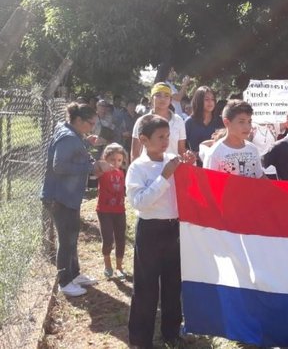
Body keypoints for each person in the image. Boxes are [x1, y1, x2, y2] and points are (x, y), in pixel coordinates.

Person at [125, 115, 194, 348]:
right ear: (144, 140)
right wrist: (165, 176)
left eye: (168, 136)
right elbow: (141, 202)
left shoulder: (173, 160)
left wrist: (189, 168)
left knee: (173, 285)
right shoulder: (138, 168)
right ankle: (140, 339)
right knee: (146, 287)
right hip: (150, 230)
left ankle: (171, 333)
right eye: (160, 137)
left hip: (174, 228)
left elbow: (185, 192)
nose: (166, 141)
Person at [41, 102, 111, 297]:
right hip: (59, 197)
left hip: (67, 196)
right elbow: (59, 167)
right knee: (66, 240)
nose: (92, 127)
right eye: (90, 123)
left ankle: (74, 274)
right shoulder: (69, 138)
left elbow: (76, 154)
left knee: (72, 236)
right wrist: (92, 168)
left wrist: (88, 144)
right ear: (78, 120)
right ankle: (65, 281)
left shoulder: (71, 132)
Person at [204, 100, 265, 178]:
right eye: (241, 122)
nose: (247, 127)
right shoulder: (215, 153)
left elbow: (261, 178)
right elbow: (209, 185)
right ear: (227, 123)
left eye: (249, 121)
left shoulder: (253, 149)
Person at [131, 83, 186, 162]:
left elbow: (181, 151)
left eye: (166, 95)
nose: (162, 99)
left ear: (170, 100)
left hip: (172, 170)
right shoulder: (141, 121)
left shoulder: (178, 121)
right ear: (151, 98)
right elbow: (135, 154)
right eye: (158, 95)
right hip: (147, 171)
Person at [96, 143, 128, 280]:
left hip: (119, 210)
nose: (116, 163)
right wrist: (102, 165)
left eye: (119, 160)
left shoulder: (121, 173)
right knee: (108, 238)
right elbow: (96, 167)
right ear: (106, 159)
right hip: (104, 211)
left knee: (121, 238)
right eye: (112, 160)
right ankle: (107, 264)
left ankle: (119, 267)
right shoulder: (102, 172)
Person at [185, 86, 222, 166]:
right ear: (198, 101)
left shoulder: (220, 121)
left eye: (212, 99)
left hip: (216, 165)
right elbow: (183, 146)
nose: (210, 102)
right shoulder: (189, 122)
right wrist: (191, 154)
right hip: (196, 166)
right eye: (206, 99)